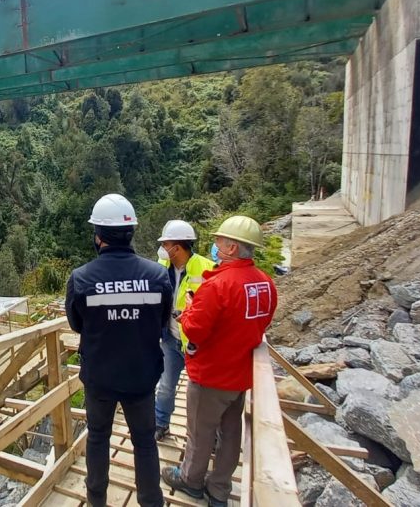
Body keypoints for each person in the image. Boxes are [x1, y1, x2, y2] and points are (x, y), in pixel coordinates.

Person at [162, 216, 277, 507]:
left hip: (211, 374)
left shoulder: (218, 284)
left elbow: (196, 328)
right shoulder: (265, 283)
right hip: (240, 374)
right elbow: (263, 321)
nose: (214, 246)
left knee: (200, 433)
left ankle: (191, 480)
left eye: (219, 242)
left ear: (232, 247)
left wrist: (187, 311)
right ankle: (220, 489)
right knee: (230, 435)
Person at [66, 193, 173, 507]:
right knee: (144, 442)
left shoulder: (82, 279)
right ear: (132, 232)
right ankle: (151, 501)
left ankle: (96, 501)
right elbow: (163, 322)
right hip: (142, 377)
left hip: (100, 379)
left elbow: (76, 324)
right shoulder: (157, 276)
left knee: (98, 437)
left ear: (98, 236)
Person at [154, 220, 216, 441]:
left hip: (198, 344)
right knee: (166, 386)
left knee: (203, 393)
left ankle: (209, 436)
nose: (163, 248)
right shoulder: (161, 265)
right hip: (170, 338)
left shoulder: (207, 268)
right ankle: (160, 424)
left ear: (177, 247)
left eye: (166, 243)